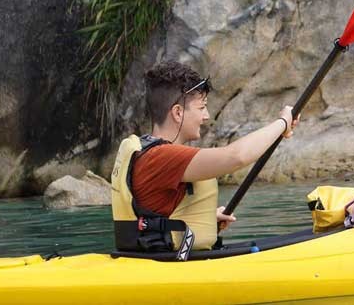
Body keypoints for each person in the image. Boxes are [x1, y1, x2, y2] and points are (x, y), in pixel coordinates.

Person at [110, 61, 297, 258]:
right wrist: (282, 123)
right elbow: (237, 156)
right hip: (165, 269)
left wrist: (206, 220)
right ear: (178, 112)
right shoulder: (160, 158)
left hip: (166, 259)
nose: (206, 116)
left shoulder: (156, 155)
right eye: (202, 107)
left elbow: (158, 214)